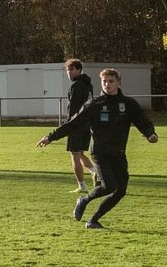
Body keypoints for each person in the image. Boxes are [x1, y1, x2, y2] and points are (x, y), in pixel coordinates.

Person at [37, 68, 158, 229]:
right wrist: (51, 137)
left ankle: (93, 220)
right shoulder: (95, 104)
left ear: (118, 83)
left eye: (111, 81)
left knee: (121, 191)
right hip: (100, 153)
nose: (107, 84)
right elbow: (73, 123)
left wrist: (150, 134)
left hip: (118, 153)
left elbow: (142, 120)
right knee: (109, 186)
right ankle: (84, 200)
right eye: (104, 81)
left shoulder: (128, 104)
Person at [63, 59, 96, 193]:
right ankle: (95, 171)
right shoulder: (89, 85)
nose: (69, 73)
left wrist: (68, 124)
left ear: (79, 69)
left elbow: (73, 107)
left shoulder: (76, 85)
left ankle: (82, 186)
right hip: (87, 124)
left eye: (71, 69)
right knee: (80, 153)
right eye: (67, 70)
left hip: (77, 124)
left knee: (74, 154)